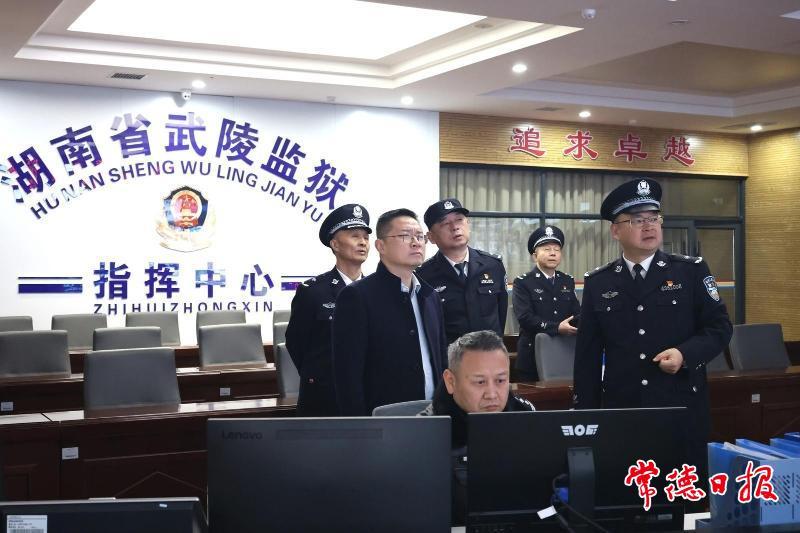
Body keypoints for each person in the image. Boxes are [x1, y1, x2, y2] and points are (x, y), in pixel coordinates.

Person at [573, 178, 732, 481]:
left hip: (680, 408)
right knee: (627, 494)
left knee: (681, 495)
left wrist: (685, 354)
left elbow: (720, 327)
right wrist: (585, 416)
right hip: (623, 411)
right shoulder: (599, 282)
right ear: (615, 230)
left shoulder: (690, 271)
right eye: (637, 220)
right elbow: (587, 357)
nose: (649, 226)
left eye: (654, 218)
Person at [332, 208, 447, 416]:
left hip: (433, 414)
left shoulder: (430, 295)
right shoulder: (357, 296)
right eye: (405, 236)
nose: (416, 242)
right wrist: (360, 425)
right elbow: (347, 374)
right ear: (381, 246)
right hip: (383, 417)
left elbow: (440, 360)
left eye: (420, 236)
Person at [419, 330, 534, 524]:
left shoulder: (526, 416)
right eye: (480, 382)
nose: (492, 394)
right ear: (450, 381)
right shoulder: (424, 435)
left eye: (500, 380)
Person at [285, 203, 371, 416]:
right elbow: (297, 344)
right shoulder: (313, 292)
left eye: (365, 237)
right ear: (335, 244)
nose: (362, 242)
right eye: (354, 236)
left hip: (368, 394)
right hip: (325, 396)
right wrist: (319, 377)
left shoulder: (376, 290)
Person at [417, 198, 507, 344]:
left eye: (459, 220)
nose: (455, 227)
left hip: (489, 352)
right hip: (450, 356)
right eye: (445, 223)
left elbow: (501, 314)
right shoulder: (423, 276)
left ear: (468, 224)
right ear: (431, 237)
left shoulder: (493, 265)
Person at [512, 225, 580, 382]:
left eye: (557, 249)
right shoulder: (523, 282)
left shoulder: (567, 280)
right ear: (534, 256)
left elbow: (576, 313)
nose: (553, 253)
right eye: (547, 249)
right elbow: (525, 317)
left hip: (564, 351)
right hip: (532, 356)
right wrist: (556, 327)